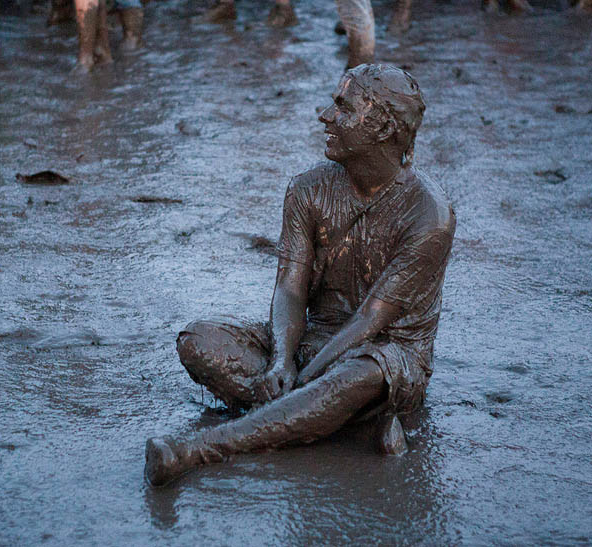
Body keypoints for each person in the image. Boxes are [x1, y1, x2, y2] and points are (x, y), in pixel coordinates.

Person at [145, 64, 456, 487]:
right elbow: (290, 290)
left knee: (357, 375)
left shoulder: (429, 214)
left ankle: (199, 450)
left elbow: (371, 320)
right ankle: (341, 422)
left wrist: (305, 376)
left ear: (382, 126)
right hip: (312, 343)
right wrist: (281, 361)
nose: (325, 115)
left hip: (385, 355)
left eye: (342, 107)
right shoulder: (307, 189)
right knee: (199, 339)